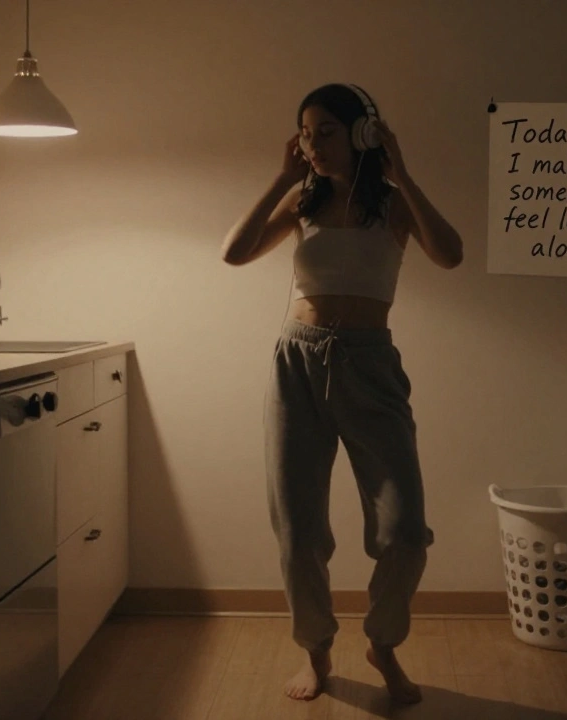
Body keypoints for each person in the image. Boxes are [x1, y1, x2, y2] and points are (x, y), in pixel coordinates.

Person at [221, 83, 462, 703]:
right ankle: (318, 653)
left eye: (327, 131)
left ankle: (382, 644)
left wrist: (402, 173)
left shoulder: (394, 208)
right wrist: (280, 180)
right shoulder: (302, 202)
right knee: (298, 532)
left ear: (362, 134)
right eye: (305, 132)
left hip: (370, 367)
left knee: (405, 530)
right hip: (296, 364)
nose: (313, 143)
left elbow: (451, 254)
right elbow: (234, 253)